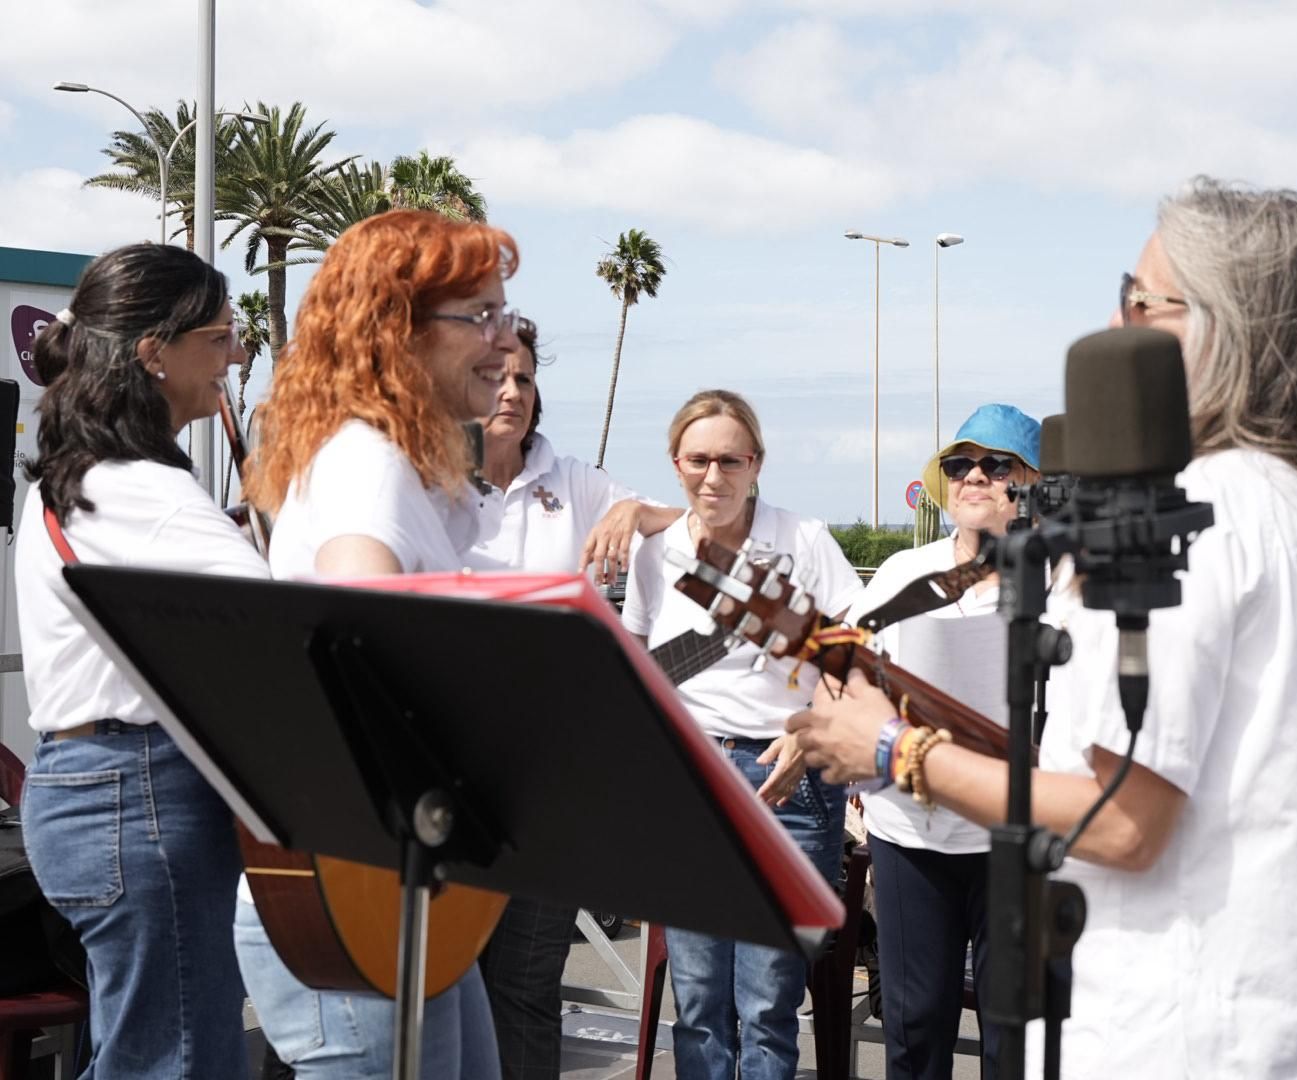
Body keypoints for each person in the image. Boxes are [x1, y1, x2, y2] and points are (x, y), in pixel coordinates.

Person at [791, 179, 1297, 1077]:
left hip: (1196, 1039)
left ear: (1222, 330)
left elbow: (1123, 823)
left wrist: (893, 747)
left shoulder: (1186, 518)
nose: (1114, 320)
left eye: (1140, 299)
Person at [236, 208, 516, 1080]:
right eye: (480, 317)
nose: (504, 342)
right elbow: (361, 646)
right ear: (398, 332)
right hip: (358, 897)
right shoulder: (367, 464)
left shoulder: (386, 463)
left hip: (405, 894)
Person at [17, 243, 269, 1078]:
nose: (234, 357)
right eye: (221, 337)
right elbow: (281, 618)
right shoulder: (139, 485)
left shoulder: (70, 472)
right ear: (153, 352)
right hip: (144, 794)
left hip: (88, 790)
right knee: (183, 1060)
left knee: (139, 1053)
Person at [620, 389, 862, 1080]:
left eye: (731, 459)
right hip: (691, 787)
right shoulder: (657, 555)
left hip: (788, 786)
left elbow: (851, 652)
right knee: (697, 1003)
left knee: (767, 1007)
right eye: (698, 460)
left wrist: (815, 726)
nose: (713, 475)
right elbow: (641, 672)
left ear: (757, 465)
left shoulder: (802, 541)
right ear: (676, 464)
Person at [469, 317, 679, 1080]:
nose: (512, 392)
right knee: (442, 988)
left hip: (548, 788)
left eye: (524, 378)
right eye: (495, 376)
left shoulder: (577, 481)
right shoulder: (423, 478)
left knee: (524, 985)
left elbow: (697, 531)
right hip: (442, 775)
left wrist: (640, 513)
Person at [842, 403, 1038, 1080]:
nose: (974, 476)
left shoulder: (1063, 580)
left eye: (995, 464)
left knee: (1012, 1040)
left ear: (1032, 481)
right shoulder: (902, 573)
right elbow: (846, 670)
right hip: (912, 836)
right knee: (915, 1022)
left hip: (1013, 838)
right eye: (960, 464)